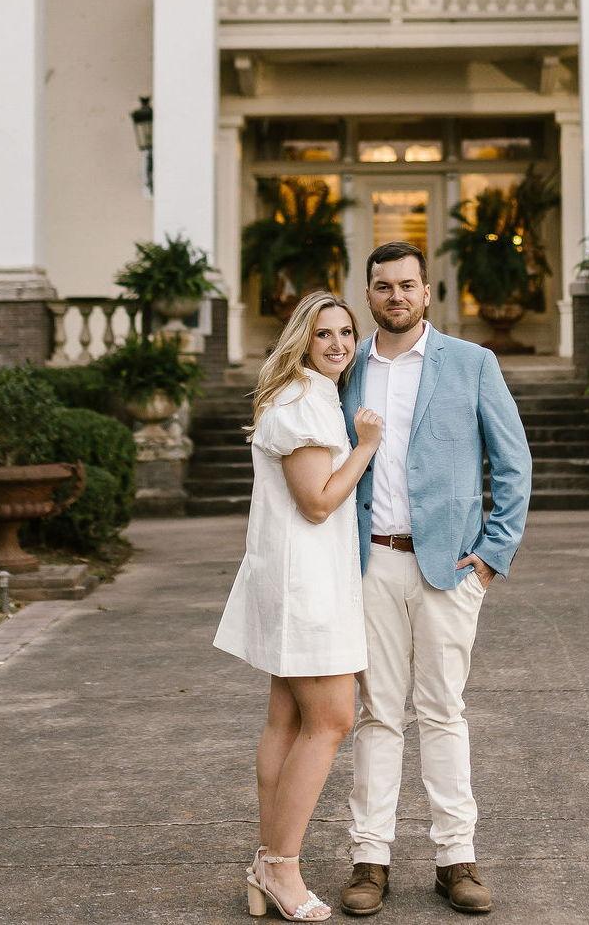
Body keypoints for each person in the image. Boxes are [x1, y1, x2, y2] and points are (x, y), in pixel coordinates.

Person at [338, 241, 531, 917]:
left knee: (443, 710)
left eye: (407, 285)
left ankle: (457, 860)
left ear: (427, 292)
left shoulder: (472, 363)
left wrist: (492, 554)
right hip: (369, 564)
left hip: (449, 568)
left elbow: (513, 462)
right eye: (383, 286)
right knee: (377, 714)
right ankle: (370, 859)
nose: (395, 296)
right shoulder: (347, 367)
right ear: (368, 293)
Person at [214, 290, 385, 923]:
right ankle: (282, 867)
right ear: (302, 341)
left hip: (294, 579)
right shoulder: (306, 400)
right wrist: (366, 445)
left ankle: (268, 863)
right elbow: (316, 502)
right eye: (323, 334)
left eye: (346, 333)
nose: (338, 344)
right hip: (307, 585)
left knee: (285, 722)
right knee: (332, 720)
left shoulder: (303, 394)